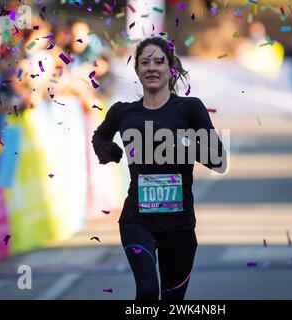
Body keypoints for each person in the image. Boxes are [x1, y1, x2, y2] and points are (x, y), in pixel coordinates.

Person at [91, 36, 227, 300]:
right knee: (148, 291)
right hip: (137, 218)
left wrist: (183, 145)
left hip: (179, 224)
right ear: (137, 71)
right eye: (145, 62)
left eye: (158, 61)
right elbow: (100, 136)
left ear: (170, 69)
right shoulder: (123, 112)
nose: (151, 67)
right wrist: (109, 152)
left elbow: (219, 160)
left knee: (172, 300)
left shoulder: (190, 108)